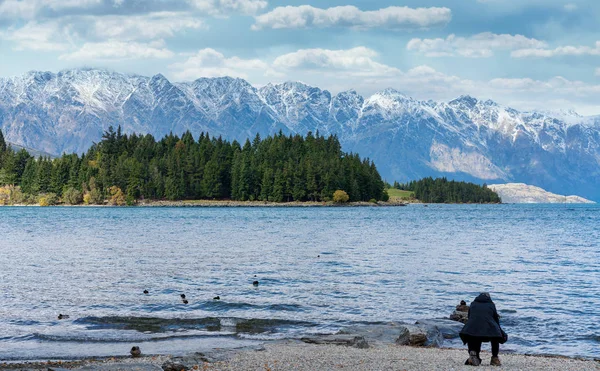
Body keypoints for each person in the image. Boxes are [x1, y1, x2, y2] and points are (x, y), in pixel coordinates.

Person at [459, 292, 507, 366]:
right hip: (488, 332)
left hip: (472, 330)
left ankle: (473, 353)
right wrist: (500, 332)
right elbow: (496, 320)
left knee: (473, 333)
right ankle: (494, 358)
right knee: (495, 335)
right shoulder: (491, 305)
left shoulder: (473, 304)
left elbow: (470, 318)